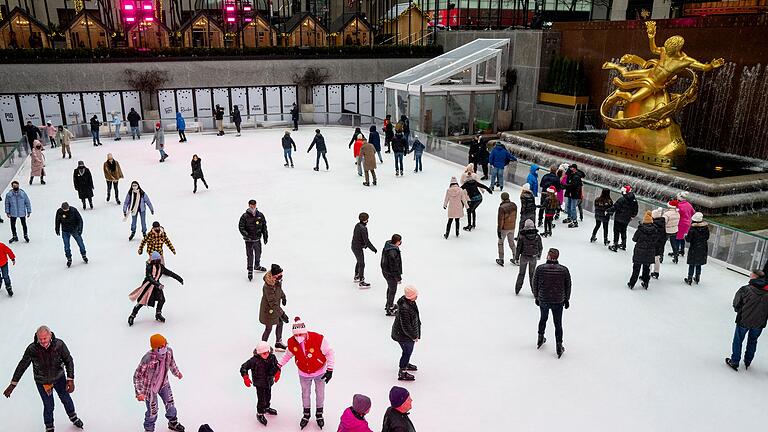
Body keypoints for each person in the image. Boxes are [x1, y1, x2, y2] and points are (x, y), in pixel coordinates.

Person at [4, 326, 84, 432]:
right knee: (49, 405)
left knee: (66, 399)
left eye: (45, 338)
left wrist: (70, 379)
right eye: (40, 339)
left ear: (50, 335)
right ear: (37, 337)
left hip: (59, 379)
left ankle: (73, 417)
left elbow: (68, 360)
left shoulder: (59, 345)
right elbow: (22, 366)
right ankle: (49, 427)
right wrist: (13, 384)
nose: (42, 341)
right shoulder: (32, 349)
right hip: (43, 383)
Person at [278, 317, 335, 430]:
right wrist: (279, 365)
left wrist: (330, 370)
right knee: (305, 394)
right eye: (296, 335)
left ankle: (319, 414)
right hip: (304, 373)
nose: (299, 337)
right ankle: (306, 414)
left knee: (320, 394)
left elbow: (329, 352)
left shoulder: (318, 338)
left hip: (319, 372)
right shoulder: (291, 342)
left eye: (301, 334)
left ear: (306, 332)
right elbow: (288, 355)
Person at [133, 334, 185, 432]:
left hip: (163, 384)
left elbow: (172, 363)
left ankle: (173, 422)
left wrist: (177, 373)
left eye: (165, 344)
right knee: (153, 412)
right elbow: (137, 376)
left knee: (170, 404)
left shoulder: (169, 352)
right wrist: (139, 392)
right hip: (150, 390)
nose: (164, 348)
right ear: (155, 348)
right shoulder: (148, 359)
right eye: (161, 347)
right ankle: (149, 429)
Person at [726, 270, 768, 371]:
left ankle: (735, 361)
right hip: (759, 323)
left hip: (743, 320)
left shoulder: (745, 289)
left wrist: (740, 311)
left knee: (738, 340)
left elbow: (736, 303)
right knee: (753, 341)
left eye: (751, 274)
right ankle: (748, 361)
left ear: (755, 276)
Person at [532, 248, 571, 358]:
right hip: (558, 301)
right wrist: (567, 299)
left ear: (549, 256)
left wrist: (537, 296)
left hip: (544, 299)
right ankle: (559, 345)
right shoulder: (564, 270)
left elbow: (535, 283)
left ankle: (540, 337)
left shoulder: (540, 269)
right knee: (558, 323)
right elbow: (568, 285)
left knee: (543, 318)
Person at [128, 252, 184, 325]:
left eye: (159, 260)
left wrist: (179, 279)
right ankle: (132, 315)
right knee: (141, 302)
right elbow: (149, 277)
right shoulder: (149, 267)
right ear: (153, 260)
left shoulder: (161, 267)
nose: (158, 261)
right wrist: (158, 284)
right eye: (156, 260)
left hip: (157, 287)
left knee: (162, 300)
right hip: (147, 287)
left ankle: (158, 314)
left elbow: (170, 273)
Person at [240, 341, 281, 425]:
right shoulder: (253, 360)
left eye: (267, 352)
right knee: (261, 399)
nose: (266, 355)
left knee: (268, 396)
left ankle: (267, 408)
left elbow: (277, 365)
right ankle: (260, 413)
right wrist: (245, 377)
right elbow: (243, 367)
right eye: (263, 353)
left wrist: (278, 372)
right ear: (259, 353)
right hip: (260, 383)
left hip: (269, 381)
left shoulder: (272, 357)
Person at [391, 285, 420, 380]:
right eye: (415, 295)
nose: (417, 296)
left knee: (408, 351)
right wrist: (414, 336)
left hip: (405, 334)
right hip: (403, 336)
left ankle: (406, 364)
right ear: (410, 296)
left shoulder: (410, 303)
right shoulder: (405, 308)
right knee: (407, 352)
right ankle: (402, 371)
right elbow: (406, 326)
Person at [260, 264, 288, 351]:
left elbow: (279, 290)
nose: (281, 276)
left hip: (275, 309)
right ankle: (262, 346)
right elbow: (272, 303)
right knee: (268, 328)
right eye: (279, 274)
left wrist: (283, 297)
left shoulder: (276, 281)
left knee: (280, 323)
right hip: (268, 311)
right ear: (274, 275)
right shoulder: (268, 286)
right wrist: (282, 313)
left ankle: (278, 343)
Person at [239, 200, 269, 280]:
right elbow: (241, 227)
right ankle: (250, 270)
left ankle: (257, 265)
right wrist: (246, 235)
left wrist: (265, 236)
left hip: (257, 239)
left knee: (258, 252)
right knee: (250, 255)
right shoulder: (244, 216)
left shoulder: (260, 215)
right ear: (249, 205)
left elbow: (264, 226)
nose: (253, 207)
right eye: (251, 205)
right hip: (249, 240)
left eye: (254, 205)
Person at [628, 211, 657, 290]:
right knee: (646, 268)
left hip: (639, 251)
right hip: (649, 252)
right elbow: (656, 241)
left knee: (636, 268)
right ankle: (645, 282)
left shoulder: (640, 230)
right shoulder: (655, 230)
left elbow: (634, 239)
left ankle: (632, 283)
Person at [515, 219, 543, 295]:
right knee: (532, 274)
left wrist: (516, 258)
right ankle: (534, 291)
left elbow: (518, 248)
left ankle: (517, 289)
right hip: (533, 257)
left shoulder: (522, 236)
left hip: (524, 257)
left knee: (521, 273)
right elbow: (540, 247)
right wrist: (539, 255)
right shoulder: (537, 236)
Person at [55, 202, 87, 268]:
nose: (66, 210)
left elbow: (80, 220)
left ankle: (83, 254)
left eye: (67, 209)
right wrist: (57, 228)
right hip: (65, 231)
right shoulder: (59, 211)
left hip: (74, 230)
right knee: (66, 245)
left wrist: (80, 229)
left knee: (80, 243)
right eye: (64, 209)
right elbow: (57, 220)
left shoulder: (73, 210)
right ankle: (69, 258)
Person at [608, 185, 638, 252]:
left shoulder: (622, 199)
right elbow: (635, 210)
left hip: (618, 218)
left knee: (616, 231)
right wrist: (632, 216)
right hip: (626, 219)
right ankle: (623, 244)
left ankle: (615, 245)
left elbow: (615, 207)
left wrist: (607, 210)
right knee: (623, 230)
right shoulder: (634, 200)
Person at [351, 212, 377, 288]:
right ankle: (361, 281)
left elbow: (359, 238)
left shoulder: (357, 225)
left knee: (359, 261)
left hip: (354, 246)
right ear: (366, 220)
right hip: (357, 248)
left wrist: (364, 245)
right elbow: (366, 241)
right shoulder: (363, 228)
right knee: (362, 264)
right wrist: (373, 249)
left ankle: (357, 276)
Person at [684, 212, 709, 285]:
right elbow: (707, 237)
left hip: (694, 248)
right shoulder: (706, 228)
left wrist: (685, 236)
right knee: (699, 263)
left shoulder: (692, 229)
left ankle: (689, 278)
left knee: (692, 263)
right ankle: (697, 277)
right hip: (703, 248)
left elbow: (688, 239)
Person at [381, 234, 403, 316]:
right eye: (400, 241)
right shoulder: (392, 252)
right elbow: (394, 267)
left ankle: (388, 304)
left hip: (386, 271)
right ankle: (390, 308)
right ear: (397, 242)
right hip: (390, 274)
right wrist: (398, 278)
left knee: (390, 288)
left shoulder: (388, 245)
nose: (401, 242)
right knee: (392, 290)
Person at [496, 191, 518, 266]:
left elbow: (500, 220)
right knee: (511, 242)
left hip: (504, 228)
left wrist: (499, 231)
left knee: (500, 243)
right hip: (512, 227)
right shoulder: (514, 205)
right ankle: (516, 257)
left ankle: (501, 259)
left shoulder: (502, 208)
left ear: (502, 198)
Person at [676, 191, 695, 258]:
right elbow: (693, 213)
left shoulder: (679, 205)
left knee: (678, 237)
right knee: (683, 237)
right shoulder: (689, 204)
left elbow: (677, 214)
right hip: (688, 224)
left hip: (680, 223)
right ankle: (682, 250)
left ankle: (676, 251)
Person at [650, 208, 668, 279]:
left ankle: (647, 273)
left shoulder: (654, 225)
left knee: (650, 259)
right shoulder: (663, 223)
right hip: (660, 245)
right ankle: (656, 272)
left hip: (653, 245)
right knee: (657, 259)